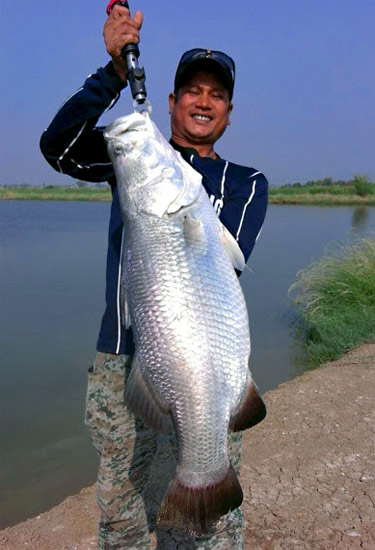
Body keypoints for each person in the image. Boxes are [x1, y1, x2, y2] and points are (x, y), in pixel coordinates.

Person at [40, 5, 268, 549]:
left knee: (209, 524)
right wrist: (114, 74)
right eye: (191, 90)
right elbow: (61, 146)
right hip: (122, 365)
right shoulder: (138, 162)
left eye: (216, 94)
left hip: (209, 365)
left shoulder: (246, 183)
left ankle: (205, 496)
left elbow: (224, 260)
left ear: (230, 112)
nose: (203, 101)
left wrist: (169, 172)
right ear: (170, 103)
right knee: (124, 511)